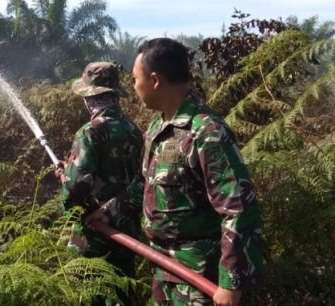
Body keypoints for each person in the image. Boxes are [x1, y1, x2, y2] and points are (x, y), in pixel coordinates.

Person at [86, 38, 263, 306]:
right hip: (164, 268)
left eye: (135, 79)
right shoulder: (158, 128)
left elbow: (238, 210)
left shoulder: (206, 132)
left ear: (155, 80)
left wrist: (231, 284)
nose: (134, 88)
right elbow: (144, 184)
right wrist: (110, 210)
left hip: (199, 276)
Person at [56, 62, 143, 301]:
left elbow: (75, 190)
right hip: (125, 228)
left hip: (94, 232)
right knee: (121, 290)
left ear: (89, 97)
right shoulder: (133, 130)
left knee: (88, 292)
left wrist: (65, 178)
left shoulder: (89, 132)